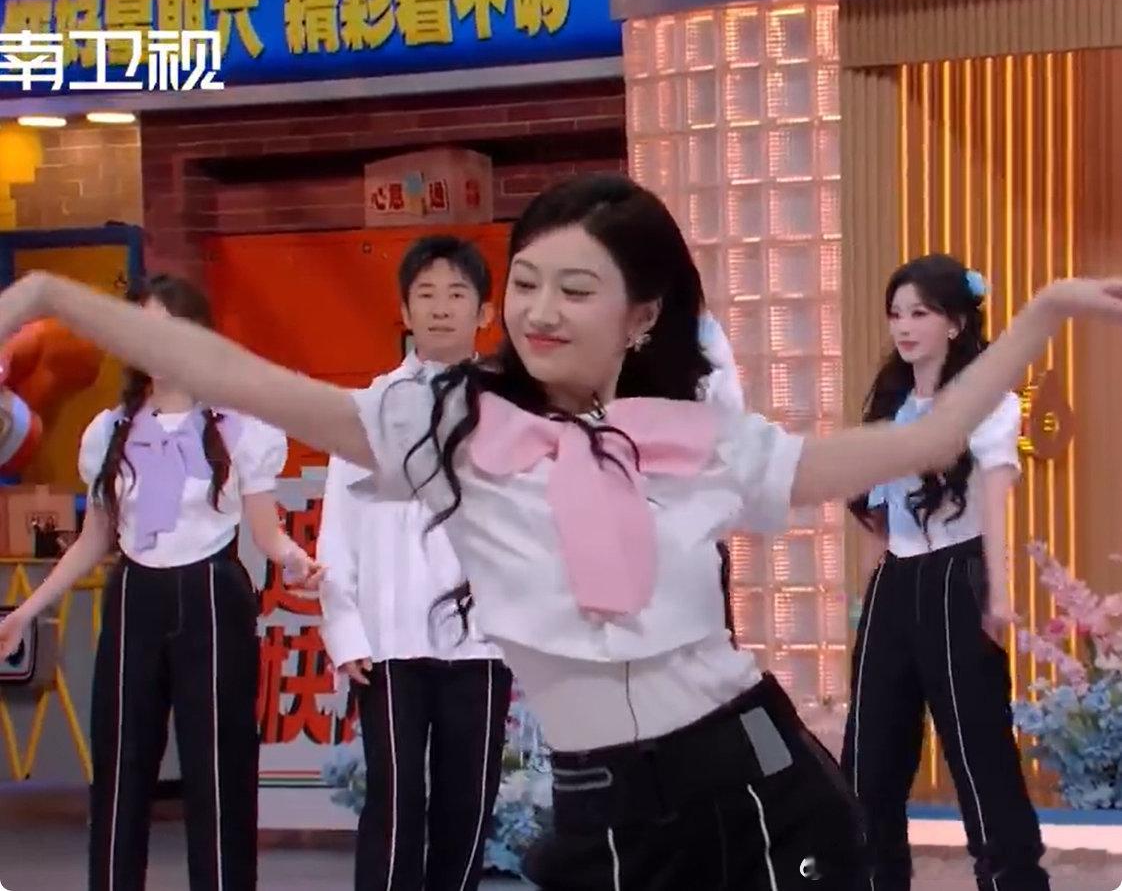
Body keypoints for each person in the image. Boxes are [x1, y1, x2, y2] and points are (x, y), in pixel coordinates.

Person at [0, 175, 1119, 889]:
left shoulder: (700, 440)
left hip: (756, 775)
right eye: (527, 281)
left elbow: (933, 442)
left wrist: (1048, 310)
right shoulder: (445, 425)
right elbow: (236, 373)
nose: (540, 310)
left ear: (642, 315)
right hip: (597, 800)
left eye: (576, 289)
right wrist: (52, 291)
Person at [0, 275, 322, 891]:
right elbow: (96, 538)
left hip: (212, 595)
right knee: (121, 763)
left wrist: (294, 560)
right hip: (135, 596)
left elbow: (266, 532)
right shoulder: (108, 431)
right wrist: (27, 610)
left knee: (219, 766)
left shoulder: (239, 427)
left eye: (172, 329)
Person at [841, 255, 1049, 891]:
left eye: (920, 313)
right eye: (896, 314)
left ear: (956, 323)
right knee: (867, 764)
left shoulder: (990, 404)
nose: (904, 327)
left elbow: (996, 505)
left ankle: (1010, 879)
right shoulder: (891, 404)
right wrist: (866, 598)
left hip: (958, 579)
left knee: (979, 755)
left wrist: (1000, 597)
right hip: (895, 585)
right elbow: (877, 515)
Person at [317, 235, 513, 891]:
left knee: (469, 802)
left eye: (457, 294)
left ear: (484, 313)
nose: (441, 307)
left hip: (482, 639)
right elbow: (337, 529)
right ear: (404, 311)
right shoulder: (364, 411)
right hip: (389, 638)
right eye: (425, 294)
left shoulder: (510, 412)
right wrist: (345, 629)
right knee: (395, 801)